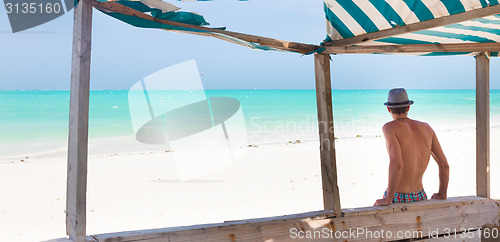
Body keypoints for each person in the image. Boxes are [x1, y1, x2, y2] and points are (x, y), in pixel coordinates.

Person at [374, 88, 449, 206]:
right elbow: (444, 165)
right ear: (408, 107)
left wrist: (388, 198)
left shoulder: (389, 128)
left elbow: (397, 164)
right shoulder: (427, 128)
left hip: (397, 196)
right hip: (420, 196)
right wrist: (442, 193)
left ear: (388, 109)